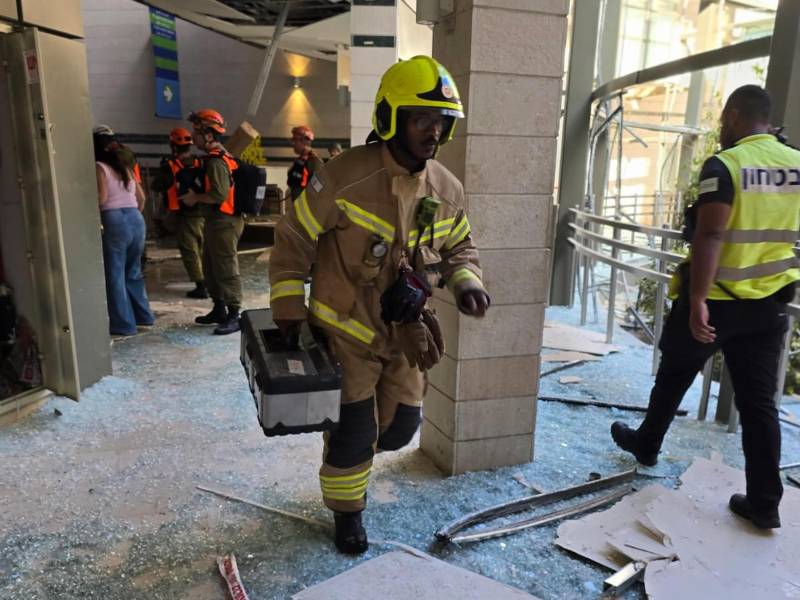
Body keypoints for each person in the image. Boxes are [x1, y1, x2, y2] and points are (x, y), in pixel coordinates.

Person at [269, 56, 491, 554]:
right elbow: (294, 237)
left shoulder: (446, 189)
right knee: (354, 432)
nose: (433, 132)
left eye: (441, 121)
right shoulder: (343, 176)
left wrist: (467, 284)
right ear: (391, 117)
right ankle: (347, 513)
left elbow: (460, 247)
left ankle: (358, 451)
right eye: (421, 119)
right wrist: (288, 306)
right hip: (345, 333)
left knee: (399, 429)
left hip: (406, 333)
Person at [610, 85, 800, 530]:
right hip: (768, 304)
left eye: (722, 119)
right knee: (759, 405)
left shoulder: (726, 164)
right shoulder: (795, 164)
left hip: (717, 299)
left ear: (733, 115)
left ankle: (647, 445)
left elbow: (710, 234)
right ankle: (765, 503)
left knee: (675, 372)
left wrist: (696, 298)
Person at [182, 109, 244, 335]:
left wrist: (195, 198)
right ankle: (219, 309)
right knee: (210, 267)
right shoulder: (215, 158)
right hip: (215, 220)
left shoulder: (217, 162)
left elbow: (219, 194)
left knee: (226, 267)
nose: (193, 137)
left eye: (197, 132)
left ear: (209, 135)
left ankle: (234, 314)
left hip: (224, 221)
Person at [93, 128, 155, 336]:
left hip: (114, 219)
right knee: (133, 271)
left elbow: (102, 197)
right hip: (136, 218)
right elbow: (142, 198)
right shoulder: (125, 167)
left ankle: (123, 324)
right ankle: (144, 317)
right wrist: (132, 214)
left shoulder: (100, 167)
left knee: (115, 274)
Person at [151, 128, 208, 299]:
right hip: (204, 212)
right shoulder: (200, 162)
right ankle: (208, 281)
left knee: (190, 251)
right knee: (203, 249)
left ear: (173, 146)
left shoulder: (170, 166)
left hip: (184, 214)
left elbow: (156, 186)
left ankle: (201, 286)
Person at [286, 125, 324, 202]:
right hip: (298, 203)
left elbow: (319, 188)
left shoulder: (314, 162)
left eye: (295, 140)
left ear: (304, 141)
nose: (293, 144)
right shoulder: (300, 160)